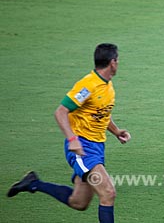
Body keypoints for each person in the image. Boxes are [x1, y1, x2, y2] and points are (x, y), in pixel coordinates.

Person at [7, 43, 130, 223]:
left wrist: (116, 131)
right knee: (108, 193)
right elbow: (61, 111)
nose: (118, 63)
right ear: (112, 63)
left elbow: (100, 114)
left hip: (97, 147)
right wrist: (72, 139)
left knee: (79, 202)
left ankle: (33, 183)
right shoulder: (87, 86)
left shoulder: (107, 86)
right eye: (117, 60)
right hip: (83, 147)